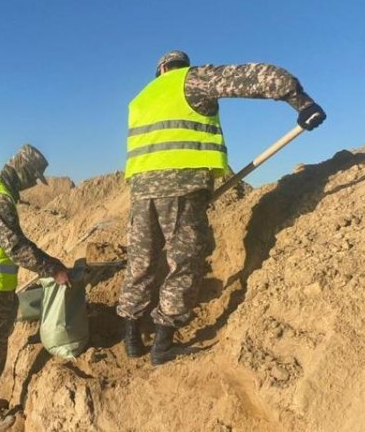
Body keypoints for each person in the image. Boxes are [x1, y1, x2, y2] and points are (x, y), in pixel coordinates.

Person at [117, 50, 326, 365]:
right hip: (183, 187)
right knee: (184, 262)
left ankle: (131, 339)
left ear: (159, 70)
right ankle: (162, 345)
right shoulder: (189, 80)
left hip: (141, 192)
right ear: (179, 68)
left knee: (141, 261)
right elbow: (251, 76)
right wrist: (299, 99)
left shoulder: (140, 98)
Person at [0, 144, 70, 431]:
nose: (34, 184)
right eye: (33, 177)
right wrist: (54, 268)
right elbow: (16, 248)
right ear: (23, 170)